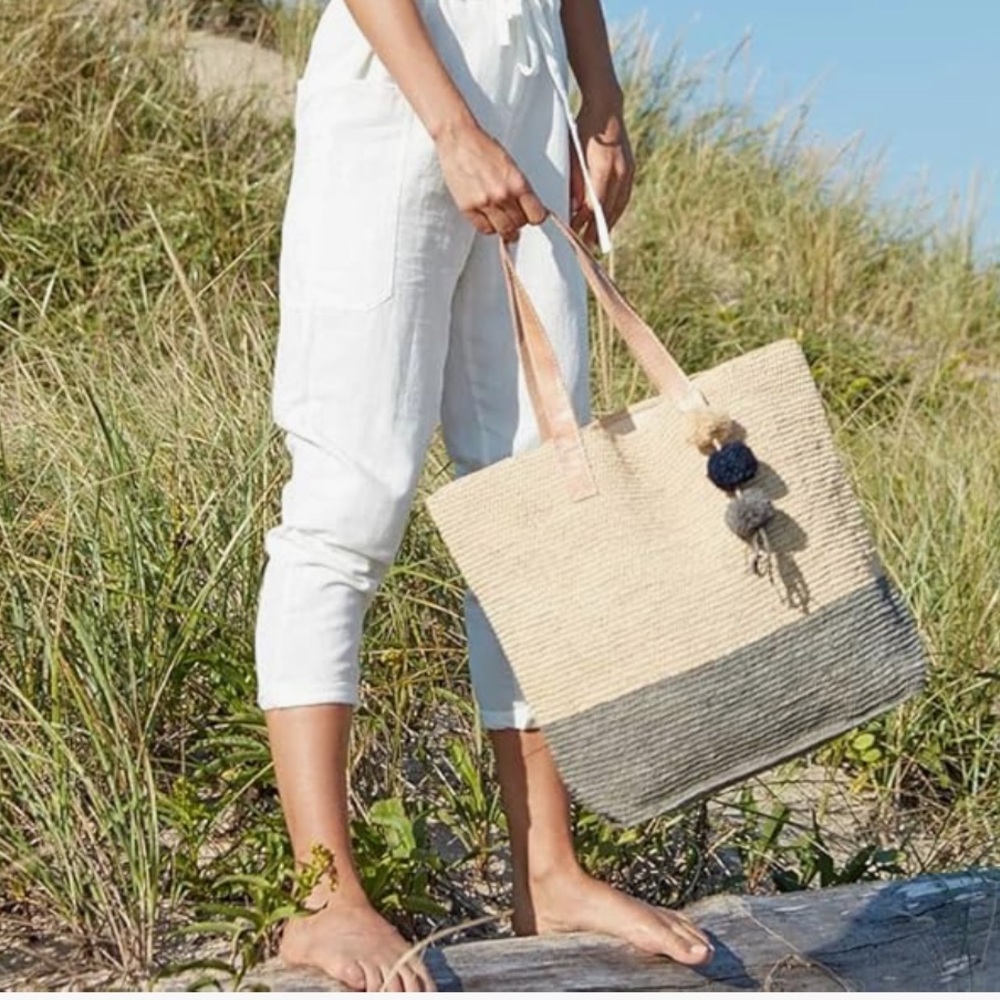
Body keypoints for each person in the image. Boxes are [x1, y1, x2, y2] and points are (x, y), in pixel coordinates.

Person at [253, 0, 714, 990]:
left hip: (531, 92)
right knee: (347, 503)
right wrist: (451, 125)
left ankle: (546, 869)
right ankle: (320, 899)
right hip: (394, 92)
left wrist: (600, 100)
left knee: (541, 500)